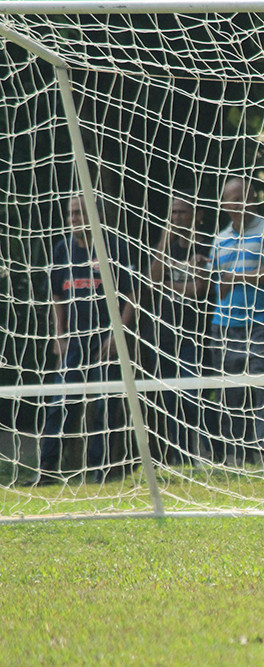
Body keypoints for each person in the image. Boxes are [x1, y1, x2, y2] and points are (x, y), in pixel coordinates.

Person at [37, 194, 138, 485]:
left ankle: (100, 470)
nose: (75, 219)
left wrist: (117, 335)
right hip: (74, 342)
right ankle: (47, 470)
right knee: (59, 403)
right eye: (71, 214)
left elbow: (132, 295)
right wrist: (60, 335)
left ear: (94, 215)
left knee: (106, 406)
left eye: (81, 213)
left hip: (106, 340)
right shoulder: (62, 250)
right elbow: (57, 294)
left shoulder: (114, 248)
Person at [205, 177, 264, 466]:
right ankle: (237, 459)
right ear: (224, 205)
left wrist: (238, 277)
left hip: (262, 322)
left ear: (255, 199)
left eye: (246, 196)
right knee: (231, 395)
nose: (241, 203)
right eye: (234, 198)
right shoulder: (220, 239)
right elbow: (214, 283)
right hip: (225, 326)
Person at [147, 192, 210, 464]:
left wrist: (168, 287)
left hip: (195, 334)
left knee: (193, 397)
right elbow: (152, 281)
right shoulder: (165, 247)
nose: (176, 218)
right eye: (173, 213)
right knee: (170, 400)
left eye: (182, 213)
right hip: (165, 335)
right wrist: (163, 241)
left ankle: (204, 453)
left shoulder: (205, 246)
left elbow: (199, 289)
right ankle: (179, 457)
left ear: (196, 216)